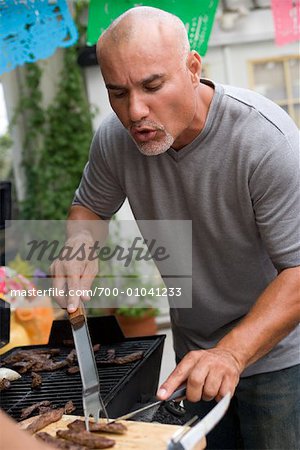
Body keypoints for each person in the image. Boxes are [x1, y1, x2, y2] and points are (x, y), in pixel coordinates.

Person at [51, 6, 300, 449]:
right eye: (117, 92)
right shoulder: (116, 138)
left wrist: (231, 352)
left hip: (281, 359)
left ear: (192, 68)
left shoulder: (265, 141)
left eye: (151, 86)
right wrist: (79, 248)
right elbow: (89, 207)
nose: (135, 111)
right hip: (194, 356)